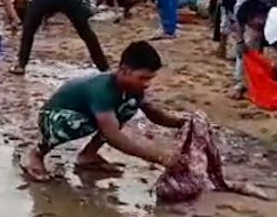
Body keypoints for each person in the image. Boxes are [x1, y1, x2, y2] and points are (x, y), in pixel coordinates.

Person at [22, 41, 186, 181]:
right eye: (143, 78)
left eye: (150, 78)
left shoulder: (132, 87)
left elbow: (153, 113)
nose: (147, 84)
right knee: (82, 124)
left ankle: (88, 156)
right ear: (123, 70)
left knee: (128, 107)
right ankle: (37, 153)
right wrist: (158, 157)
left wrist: (181, 123)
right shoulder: (102, 89)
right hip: (55, 117)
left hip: (87, 114)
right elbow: (113, 136)